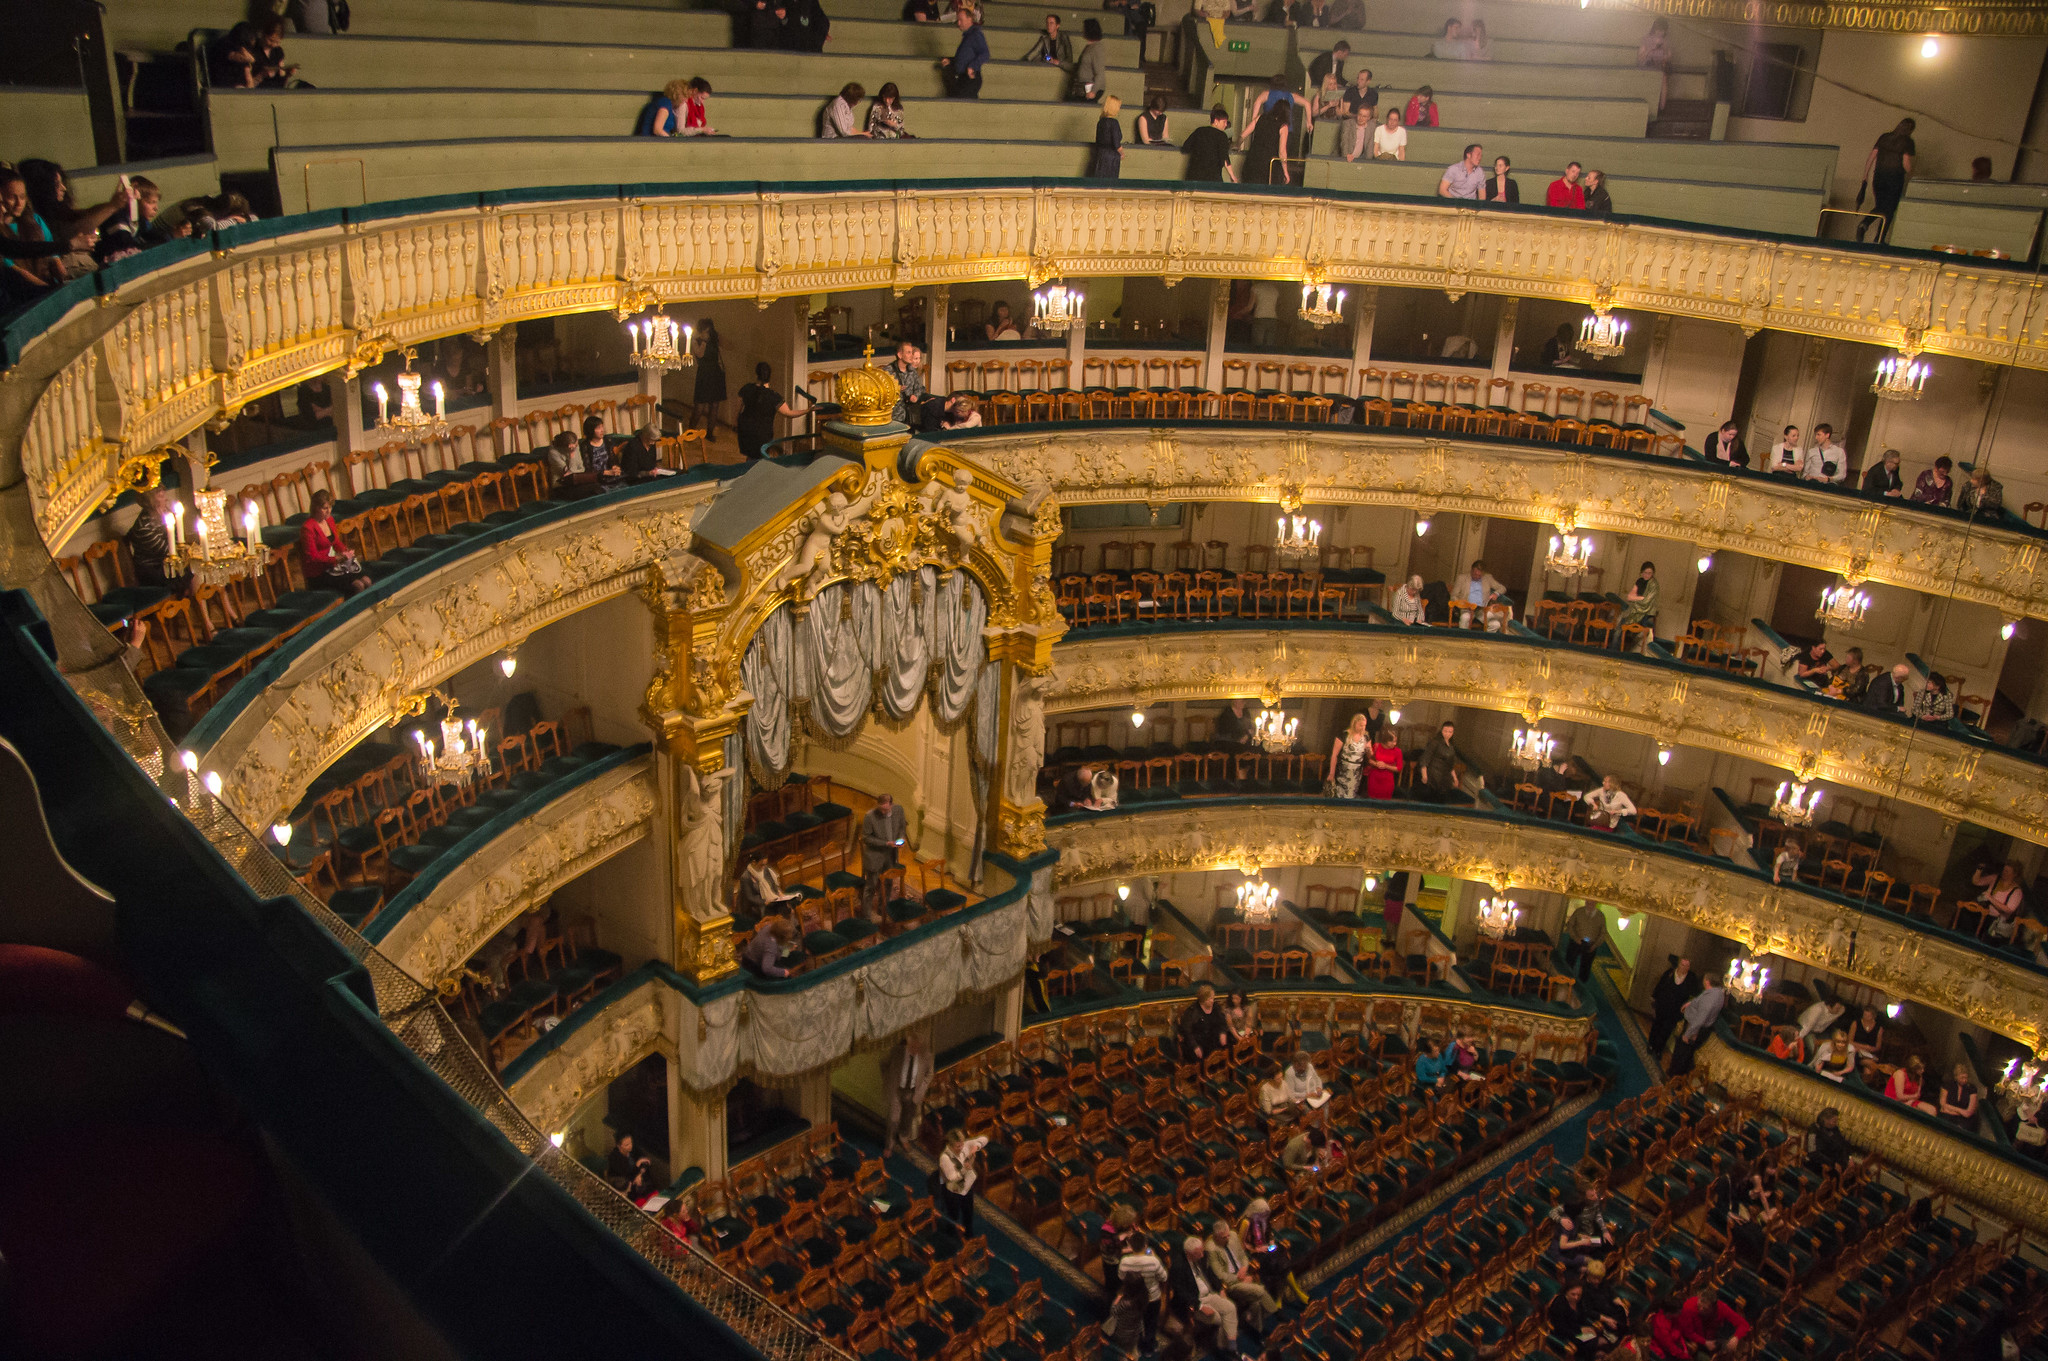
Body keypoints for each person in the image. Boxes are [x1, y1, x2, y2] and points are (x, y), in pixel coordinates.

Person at [1169, 1237, 1240, 1355]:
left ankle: (1228, 1345)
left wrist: (1221, 1289)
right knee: (1220, 1318)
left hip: (1210, 1294)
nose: (1202, 1255)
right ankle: (1226, 1347)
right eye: (1198, 1253)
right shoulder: (1178, 1266)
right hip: (1195, 1301)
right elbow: (1181, 1293)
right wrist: (1200, 1306)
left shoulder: (1203, 1257)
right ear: (1189, 1254)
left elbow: (1212, 1275)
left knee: (1230, 1308)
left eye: (1202, 1251)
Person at [1206, 1220, 1279, 1333]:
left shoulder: (1233, 1236)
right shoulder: (1211, 1249)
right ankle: (1276, 1313)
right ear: (1217, 1237)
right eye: (1224, 1237)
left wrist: (1245, 1268)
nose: (1227, 1238)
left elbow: (1243, 1256)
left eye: (1228, 1235)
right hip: (1232, 1284)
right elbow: (1219, 1274)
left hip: (1245, 1275)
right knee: (1259, 1291)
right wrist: (1239, 1278)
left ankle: (1257, 1331)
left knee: (1256, 1303)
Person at [300, 489, 372, 594]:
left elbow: (336, 542)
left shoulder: (329, 520)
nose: (329, 511)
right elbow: (312, 557)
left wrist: (346, 552)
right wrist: (335, 559)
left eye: (330, 507)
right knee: (358, 585)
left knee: (367, 580)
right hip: (319, 574)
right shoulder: (308, 528)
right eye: (325, 508)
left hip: (334, 566)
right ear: (316, 508)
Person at [735, 362, 811, 459]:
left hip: (745, 430)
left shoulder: (746, 389)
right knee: (759, 458)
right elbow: (789, 413)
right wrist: (808, 410)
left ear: (756, 373)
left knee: (750, 457)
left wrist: (736, 422)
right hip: (762, 433)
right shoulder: (774, 396)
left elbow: (738, 409)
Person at [1859, 118, 1916, 243]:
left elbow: (1871, 157)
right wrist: (1911, 173)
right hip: (1895, 179)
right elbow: (1905, 162)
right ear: (1911, 130)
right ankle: (1879, 238)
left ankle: (1864, 224)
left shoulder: (1884, 137)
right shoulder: (1907, 142)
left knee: (1880, 206)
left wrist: (1865, 176)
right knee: (1889, 209)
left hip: (1879, 177)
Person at [879, 1030, 932, 1154]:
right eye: (912, 1046)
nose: (915, 1049)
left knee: (907, 1118)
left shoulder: (926, 1056)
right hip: (897, 1090)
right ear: (908, 1044)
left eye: (917, 1047)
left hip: (913, 1091)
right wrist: (888, 1080)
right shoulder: (896, 1052)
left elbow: (929, 1074)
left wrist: (921, 1090)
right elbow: (883, 1064)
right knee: (893, 1119)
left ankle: (903, 1138)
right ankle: (889, 1145)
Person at [860, 791, 909, 918]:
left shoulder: (898, 810)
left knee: (888, 884)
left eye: (886, 810)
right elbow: (866, 838)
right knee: (870, 887)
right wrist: (886, 843)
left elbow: (902, 828)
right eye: (881, 809)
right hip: (874, 856)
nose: (883, 812)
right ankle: (866, 916)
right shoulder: (869, 816)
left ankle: (882, 909)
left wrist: (901, 839)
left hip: (890, 855)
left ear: (891, 805)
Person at [1117, 1235, 1169, 1353]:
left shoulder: (1125, 1261)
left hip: (1133, 1297)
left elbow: (1121, 1277)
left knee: (1136, 1321)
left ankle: (1137, 1343)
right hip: (1152, 1297)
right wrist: (1154, 1257)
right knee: (1151, 1322)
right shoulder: (1154, 1261)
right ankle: (1149, 1347)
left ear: (1130, 1246)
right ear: (1145, 1246)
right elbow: (1164, 1277)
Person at [1668, 971, 1725, 1075]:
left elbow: (1700, 1019)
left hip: (1694, 1028)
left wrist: (1688, 1034)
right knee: (1685, 1054)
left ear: (1707, 981)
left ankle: (1674, 1079)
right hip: (1698, 1027)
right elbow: (1701, 1002)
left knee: (1682, 1054)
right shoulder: (1717, 993)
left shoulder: (1710, 998)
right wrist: (1691, 1003)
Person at [1646, 956, 1701, 1060]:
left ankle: (1659, 1049)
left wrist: (1689, 1003)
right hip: (1663, 1006)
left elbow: (1695, 994)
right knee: (1657, 1025)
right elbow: (1660, 986)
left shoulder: (1691, 978)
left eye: (1687, 966)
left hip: (1676, 1010)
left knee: (1667, 1030)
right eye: (1682, 965)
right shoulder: (1669, 973)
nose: (1684, 968)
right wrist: (1654, 998)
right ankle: (1651, 1044)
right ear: (1679, 965)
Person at [937, 1127, 989, 1232]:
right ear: (950, 1146)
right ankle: (950, 1234)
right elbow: (952, 1178)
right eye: (958, 1146)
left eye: (962, 1144)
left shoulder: (964, 1145)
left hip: (966, 1186)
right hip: (952, 1190)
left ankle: (968, 1233)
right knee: (953, 1214)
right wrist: (965, 1169)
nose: (961, 1147)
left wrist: (975, 1147)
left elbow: (984, 1139)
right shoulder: (944, 1158)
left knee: (968, 1212)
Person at [689, 318, 726, 436]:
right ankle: (691, 430)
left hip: (715, 373)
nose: (707, 333)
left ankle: (710, 432)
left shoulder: (715, 339)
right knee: (699, 406)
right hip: (704, 374)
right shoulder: (696, 340)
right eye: (706, 330)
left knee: (714, 405)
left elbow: (724, 348)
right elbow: (699, 354)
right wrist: (704, 342)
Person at [737, 852, 802, 919]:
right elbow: (750, 897)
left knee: (794, 901)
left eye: (765, 864)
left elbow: (773, 884)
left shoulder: (765, 870)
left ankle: (792, 922)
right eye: (762, 865)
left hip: (772, 900)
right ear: (754, 862)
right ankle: (787, 923)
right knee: (782, 908)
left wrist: (779, 893)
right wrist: (765, 901)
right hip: (757, 906)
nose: (764, 867)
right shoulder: (745, 877)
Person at [1973, 860, 2025, 941]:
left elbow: (2008, 910)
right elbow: (1976, 882)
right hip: (1983, 915)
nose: (2004, 872)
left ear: (2015, 874)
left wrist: (1990, 898)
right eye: (2004, 870)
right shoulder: (1995, 878)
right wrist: (1979, 869)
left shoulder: (2017, 891)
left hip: (1997, 923)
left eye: (2007, 871)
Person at [1244, 97, 1291, 185]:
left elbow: (1244, 134)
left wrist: (1238, 143)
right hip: (1269, 164)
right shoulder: (1283, 127)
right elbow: (1282, 152)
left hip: (1252, 159)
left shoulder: (1260, 118)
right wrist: (1285, 171)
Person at [1183, 106, 1237, 182]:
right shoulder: (1222, 136)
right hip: (1212, 177)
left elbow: (1185, 148)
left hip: (1193, 176)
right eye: (1224, 122)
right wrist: (1232, 176)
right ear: (1216, 121)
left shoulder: (1199, 131)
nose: (1225, 125)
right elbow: (1225, 158)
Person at [943, 7, 988, 98]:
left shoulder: (975, 35)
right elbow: (964, 57)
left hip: (970, 78)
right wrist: (951, 61)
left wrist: (972, 66)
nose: (958, 23)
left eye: (961, 20)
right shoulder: (968, 37)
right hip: (964, 78)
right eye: (958, 20)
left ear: (969, 19)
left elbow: (985, 54)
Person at [1179, 983, 1230, 1061]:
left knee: (1228, 1047)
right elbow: (1187, 1032)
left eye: (1213, 998)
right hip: (1197, 1041)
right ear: (1203, 1000)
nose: (1212, 1001)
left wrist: (1223, 1033)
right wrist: (1195, 1047)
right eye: (1210, 999)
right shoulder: (1192, 1011)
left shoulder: (1216, 1007)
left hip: (1214, 1039)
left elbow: (1222, 1022)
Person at [1326, 712, 1370, 797]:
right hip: (1343, 770)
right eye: (1361, 725)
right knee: (1339, 794)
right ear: (1355, 723)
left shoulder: (1366, 737)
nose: (1362, 728)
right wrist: (1332, 773)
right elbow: (1334, 755)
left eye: (1364, 725)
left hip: (1356, 772)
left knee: (1352, 795)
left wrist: (1369, 750)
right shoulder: (1344, 735)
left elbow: (1369, 756)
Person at [1420, 720, 1465, 804]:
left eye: (1450, 732)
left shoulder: (1451, 746)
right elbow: (1425, 759)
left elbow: (1451, 765)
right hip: (1433, 777)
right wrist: (1424, 775)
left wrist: (1455, 778)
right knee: (1431, 801)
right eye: (1445, 731)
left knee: (1442, 801)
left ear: (1453, 733)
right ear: (1441, 731)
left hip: (1445, 779)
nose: (1447, 734)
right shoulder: (1435, 742)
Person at [1615, 561, 1658, 646]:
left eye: (1650, 573)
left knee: (1637, 635)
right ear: (1641, 572)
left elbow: (1647, 601)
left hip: (1646, 613)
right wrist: (1641, 598)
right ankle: (1614, 652)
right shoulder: (1639, 581)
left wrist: (1637, 598)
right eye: (1645, 573)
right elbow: (1629, 597)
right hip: (1633, 610)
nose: (1647, 575)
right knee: (1619, 630)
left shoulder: (1654, 585)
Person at [886, 340, 927, 426]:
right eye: (908, 353)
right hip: (894, 415)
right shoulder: (888, 371)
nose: (911, 356)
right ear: (900, 355)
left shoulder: (912, 371)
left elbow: (919, 388)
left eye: (912, 353)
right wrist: (895, 389)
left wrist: (915, 396)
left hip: (909, 415)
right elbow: (882, 390)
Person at [607, 1132, 655, 1198]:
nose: (630, 1146)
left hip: (636, 1177)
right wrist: (637, 1165)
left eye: (631, 1143)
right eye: (627, 1145)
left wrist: (639, 1174)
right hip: (624, 1183)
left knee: (648, 1181)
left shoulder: (633, 1150)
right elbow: (625, 1173)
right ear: (619, 1146)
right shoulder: (614, 1157)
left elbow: (645, 1160)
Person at [1638, 18, 1672, 109]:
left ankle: (1662, 107)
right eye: (1659, 30)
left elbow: (1669, 56)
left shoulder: (1665, 41)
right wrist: (1652, 48)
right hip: (1648, 64)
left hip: (1660, 65)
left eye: (1663, 31)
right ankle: (1648, 106)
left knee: (1664, 79)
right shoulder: (1646, 39)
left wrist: (1664, 55)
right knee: (1650, 79)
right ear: (1654, 29)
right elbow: (1641, 57)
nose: (1660, 33)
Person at [1088, 95, 1125, 178]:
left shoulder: (1101, 122)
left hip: (1101, 154)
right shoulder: (1114, 123)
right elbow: (1116, 142)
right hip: (1111, 156)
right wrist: (1121, 152)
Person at [1072, 19, 1108, 100]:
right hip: (1083, 87)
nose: (1082, 30)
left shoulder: (1096, 48)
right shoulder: (1090, 47)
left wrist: (1093, 91)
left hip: (1089, 89)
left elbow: (1099, 73)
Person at [1937, 1064, 1981, 1129]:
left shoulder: (1972, 1089)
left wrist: (1950, 1109)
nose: (1964, 1080)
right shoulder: (1948, 1085)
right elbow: (1942, 1104)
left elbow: (1968, 1113)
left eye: (1966, 1078)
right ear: (1956, 1077)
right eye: (1962, 1078)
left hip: (1964, 1119)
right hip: (1949, 1116)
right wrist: (1961, 1112)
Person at [1365, 728, 1401, 800]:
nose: (1395, 743)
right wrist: (1376, 764)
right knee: (1372, 800)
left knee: (1385, 802)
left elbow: (1399, 768)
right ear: (1385, 741)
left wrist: (1386, 766)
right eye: (1392, 741)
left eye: (1395, 741)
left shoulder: (1397, 751)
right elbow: (1369, 760)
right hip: (1374, 778)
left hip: (1387, 780)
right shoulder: (1376, 746)